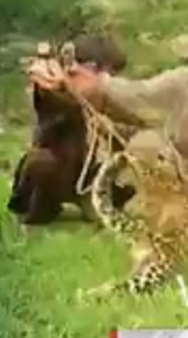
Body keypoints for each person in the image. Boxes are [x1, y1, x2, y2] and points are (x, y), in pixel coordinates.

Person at [29, 19, 188, 236]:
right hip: (185, 174)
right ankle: (165, 213)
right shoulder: (184, 80)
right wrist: (85, 83)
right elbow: (138, 94)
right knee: (146, 143)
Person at [8, 34, 134, 225]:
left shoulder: (116, 96)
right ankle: (39, 206)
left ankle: (95, 203)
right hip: (63, 171)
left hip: (96, 176)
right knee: (40, 164)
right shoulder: (61, 95)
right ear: (91, 68)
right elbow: (54, 101)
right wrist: (55, 84)